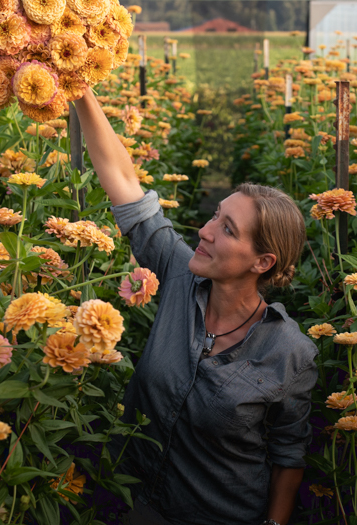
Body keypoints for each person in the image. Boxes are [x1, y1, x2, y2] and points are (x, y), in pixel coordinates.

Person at [75, 87, 318, 525]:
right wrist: (81, 90)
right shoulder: (178, 275)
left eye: (227, 229)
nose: (204, 232)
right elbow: (125, 183)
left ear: (262, 262)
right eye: (214, 216)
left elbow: (289, 453)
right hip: (133, 504)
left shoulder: (289, 352)